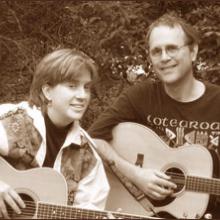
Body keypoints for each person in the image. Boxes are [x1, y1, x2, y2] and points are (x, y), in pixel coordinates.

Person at [88, 14, 220, 218]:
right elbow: (92, 139)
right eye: (156, 51)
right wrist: (136, 174)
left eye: (172, 48)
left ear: (193, 52)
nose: (164, 57)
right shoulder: (140, 96)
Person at [0, 48, 110, 218]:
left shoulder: (87, 158)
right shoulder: (13, 121)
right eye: (72, 86)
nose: (83, 95)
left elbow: (91, 207)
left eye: (87, 87)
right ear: (47, 91)